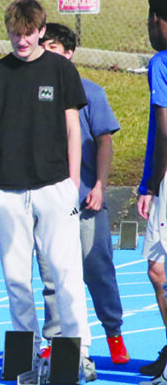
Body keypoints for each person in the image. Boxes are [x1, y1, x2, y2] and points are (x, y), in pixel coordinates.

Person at [0, 0, 95, 383]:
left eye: (28, 34)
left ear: (41, 31)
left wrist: (73, 182)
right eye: (15, 34)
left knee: (65, 272)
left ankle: (80, 352)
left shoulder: (61, 70)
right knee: (15, 276)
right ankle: (24, 351)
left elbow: (73, 127)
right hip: (7, 191)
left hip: (54, 186)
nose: (21, 41)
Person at [36, 23, 129, 365]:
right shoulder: (36, 93)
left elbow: (105, 140)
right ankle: (55, 338)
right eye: (43, 48)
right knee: (50, 271)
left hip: (85, 198)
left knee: (97, 266)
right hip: (47, 199)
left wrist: (100, 186)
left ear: (69, 53)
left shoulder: (91, 93)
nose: (48, 55)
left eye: (55, 49)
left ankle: (113, 331)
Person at [137, 0, 167, 385]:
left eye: (151, 19)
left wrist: (151, 183)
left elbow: (164, 132)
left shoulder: (161, 63)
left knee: (159, 269)